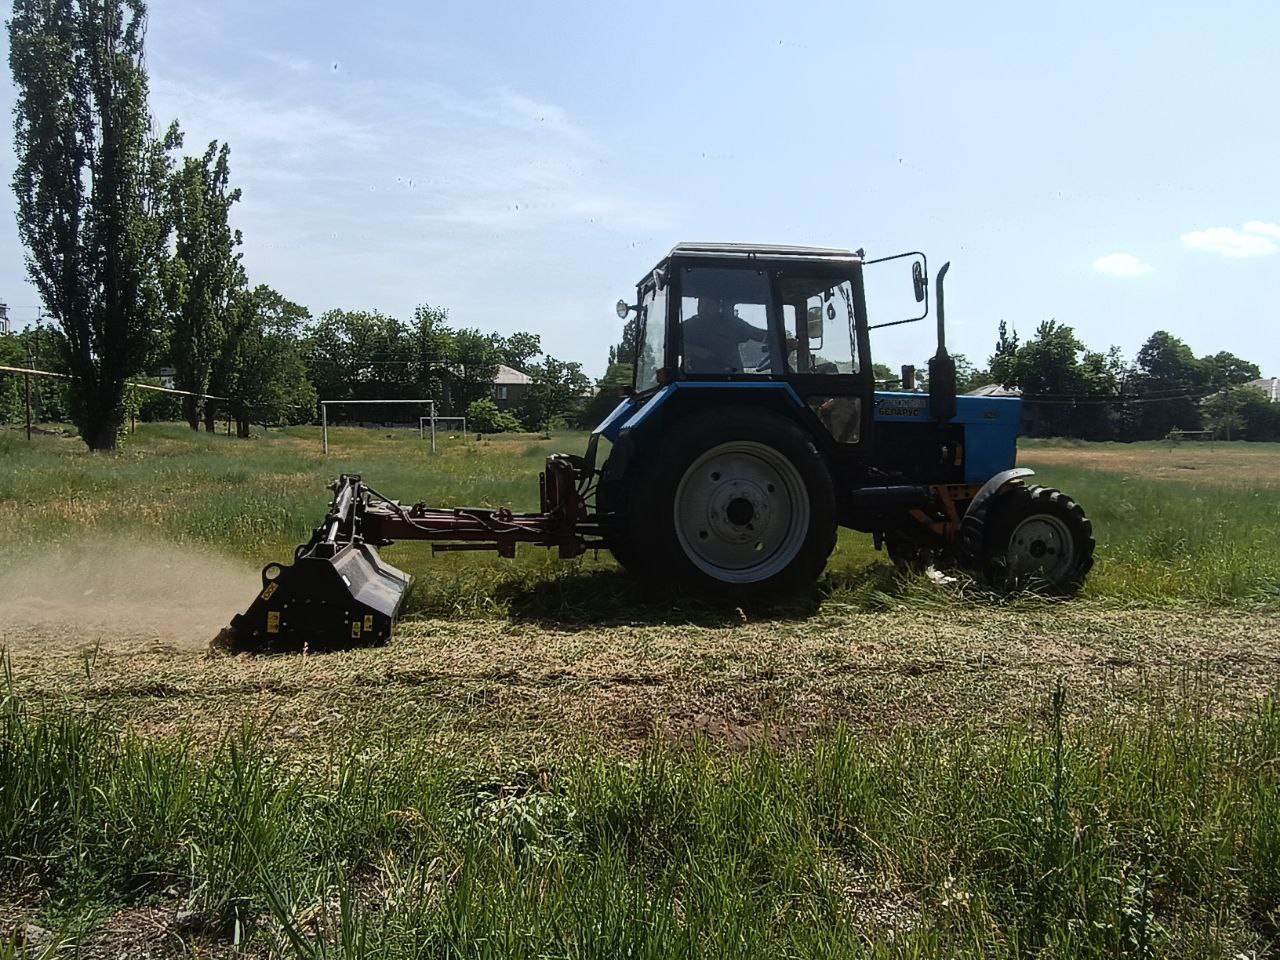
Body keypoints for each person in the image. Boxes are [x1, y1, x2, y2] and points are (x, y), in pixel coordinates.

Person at [681, 296, 768, 374]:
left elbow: (760, 335)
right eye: (701, 303)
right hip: (694, 381)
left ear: (719, 305)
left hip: (732, 380)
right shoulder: (688, 327)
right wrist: (698, 351)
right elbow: (671, 345)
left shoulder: (732, 324)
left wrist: (776, 340)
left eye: (709, 303)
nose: (704, 308)